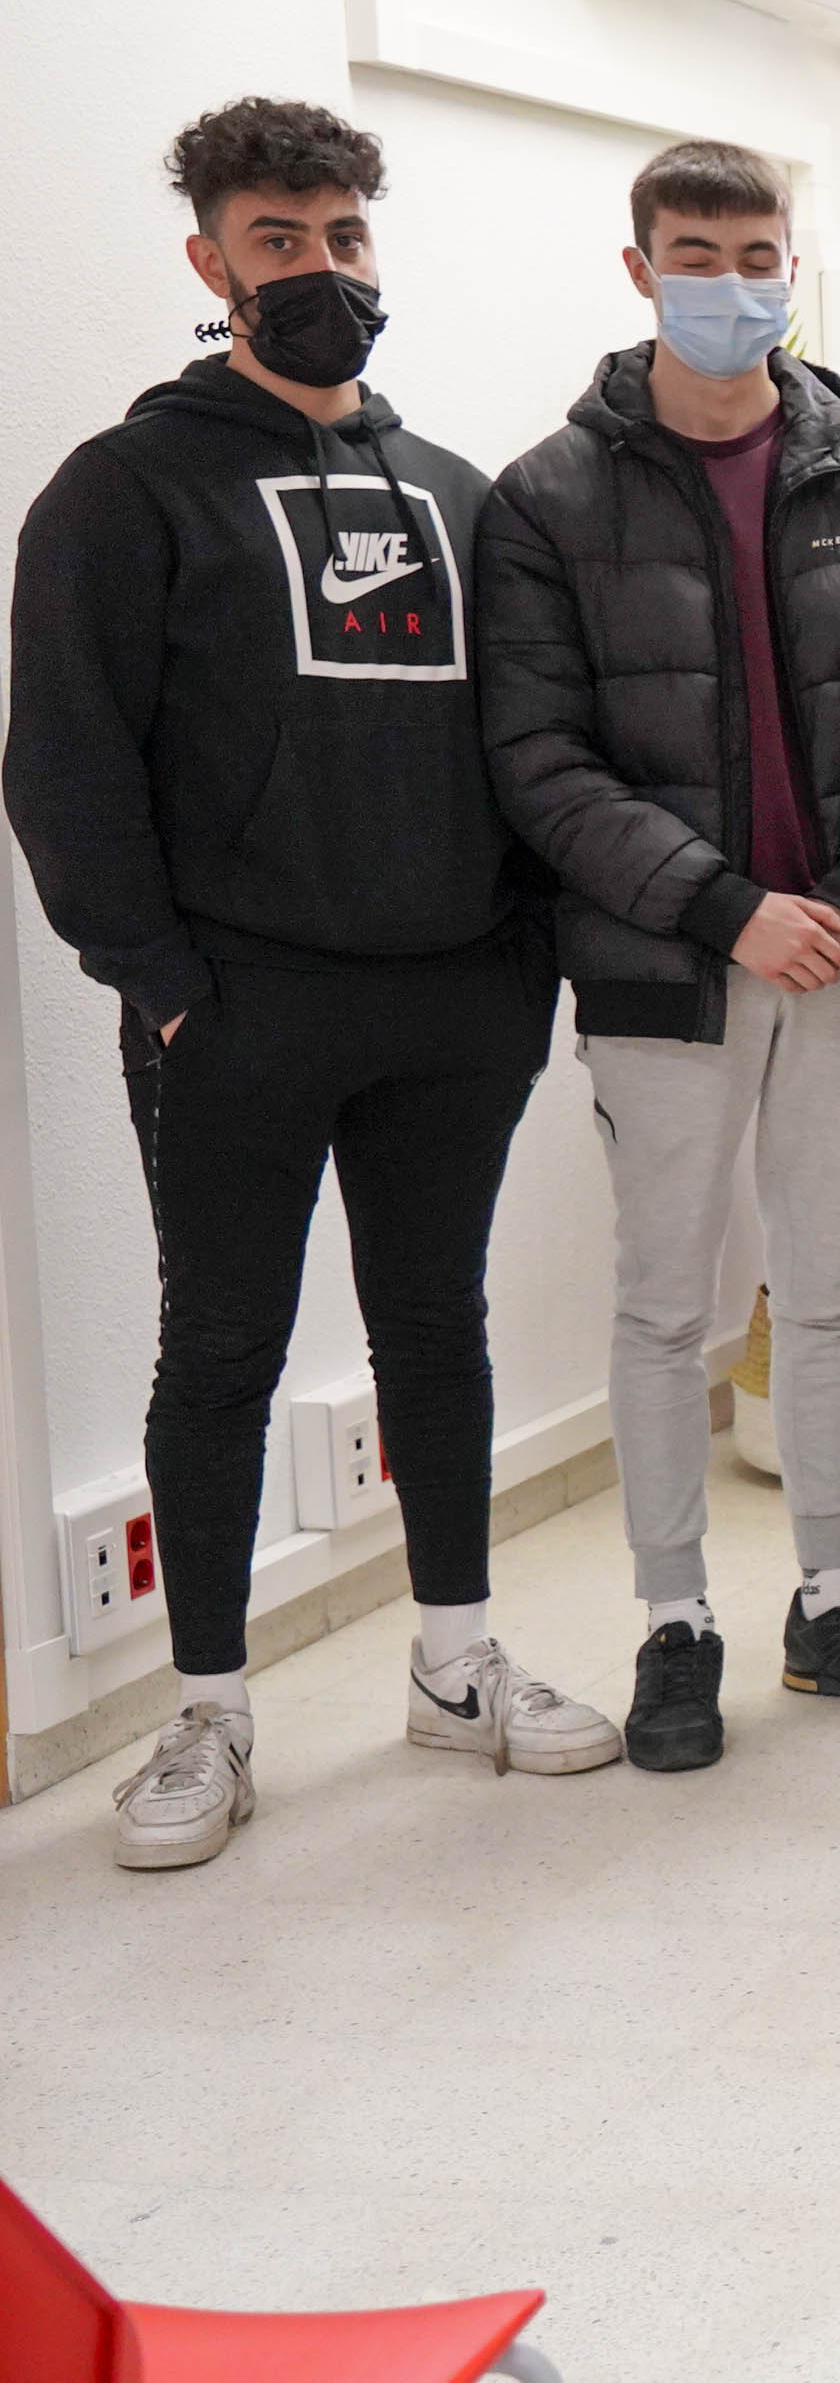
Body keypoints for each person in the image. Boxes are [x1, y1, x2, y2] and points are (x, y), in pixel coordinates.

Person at [7, 98, 613, 1866]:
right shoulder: (124, 490)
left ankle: (454, 1663)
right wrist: (164, 982)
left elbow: (533, 743)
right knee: (220, 1348)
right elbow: (64, 763)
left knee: (439, 1330)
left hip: (455, 1004)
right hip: (238, 1010)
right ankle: (208, 1712)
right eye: (279, 240)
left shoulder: (461, 496)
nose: (321, 268)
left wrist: (519, 965)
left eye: (345, 236)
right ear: (210, 263)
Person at [478, 138, 840, 1773]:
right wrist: (727, 906)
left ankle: (831, 1600)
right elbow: (540, 761)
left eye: (754, 253)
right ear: (640, 271)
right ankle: (675, 1621)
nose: (728, 284)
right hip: (669, 969)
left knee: (824, 1294)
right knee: (661, 1306)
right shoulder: (549, 499)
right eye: (694, 256)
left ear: (791, 264)